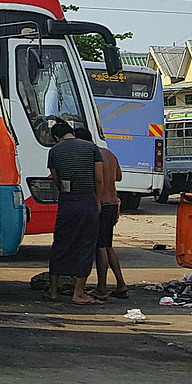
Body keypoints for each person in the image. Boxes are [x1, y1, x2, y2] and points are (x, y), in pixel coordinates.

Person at [45, 120, 105, 305]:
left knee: (60, 245)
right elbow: (99, 179)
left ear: (56, 137)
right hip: (87, 201)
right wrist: (97, 200)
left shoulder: (54, 151)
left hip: (67, 202)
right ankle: (78, 293)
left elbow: (56, 179)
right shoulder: (91, 148)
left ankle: (53, 291)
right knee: (85, 246)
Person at [74, 127, 130, 299]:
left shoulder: (90, 155)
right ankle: (120, 284)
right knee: (107, 245)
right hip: (113, 204)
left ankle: (102, 288)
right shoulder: (109, 154)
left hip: (100, 205)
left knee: (100, 247)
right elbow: (119, 176)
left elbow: (97, 179)